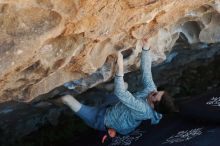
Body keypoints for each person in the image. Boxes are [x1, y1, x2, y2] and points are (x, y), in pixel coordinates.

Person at [60, 38, 177, 137]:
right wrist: (146, 49)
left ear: (153, 105)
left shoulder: (143, 109)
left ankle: (53, 101)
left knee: (66, 98)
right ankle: (101, 88)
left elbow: (120, 92)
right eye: (158, 91)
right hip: (114, 105)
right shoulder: (152, 92)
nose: (153, 91)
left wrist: (120, 67)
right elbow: (146, 72)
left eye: (155, 95)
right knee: (124, 85)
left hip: (102, 120)